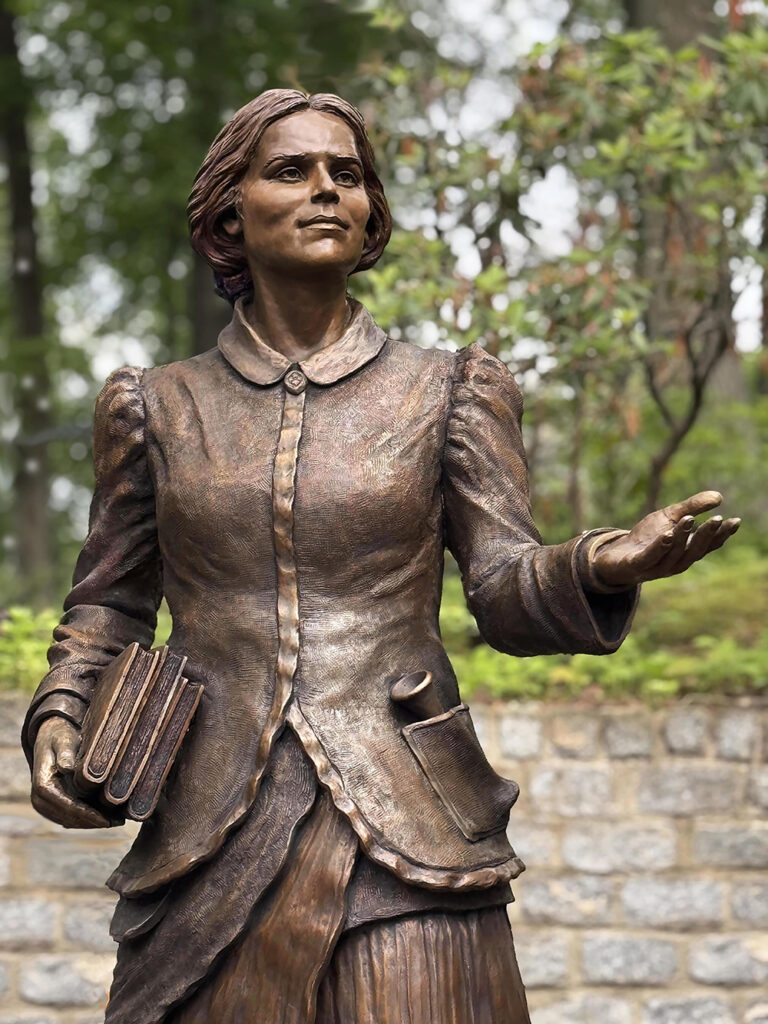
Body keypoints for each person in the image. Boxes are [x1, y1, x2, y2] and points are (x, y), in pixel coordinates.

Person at [22, 89, 740, 1024]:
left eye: (347, 174)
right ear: (229, 211)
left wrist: (600, 565)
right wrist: (60, 714)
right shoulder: (155, 408)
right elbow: (109, 605)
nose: (327, 189)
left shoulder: (448, 392)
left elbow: (504, 591)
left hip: (412, 826)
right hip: (208, 827)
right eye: (292, 170)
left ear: (369, 218)